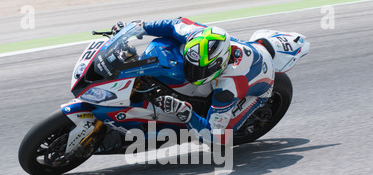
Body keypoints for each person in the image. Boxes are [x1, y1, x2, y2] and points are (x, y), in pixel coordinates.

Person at [112, 18, 275, 145]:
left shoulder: (229, 87)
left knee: (223, 135)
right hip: (244, 53)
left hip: (260, 86)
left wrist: (183, 111)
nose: (193, 72)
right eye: (191, 65)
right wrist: (139, 27)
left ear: (218, 66)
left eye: (200, 70)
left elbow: (214, 137)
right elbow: (172, 24)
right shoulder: (199, 34)